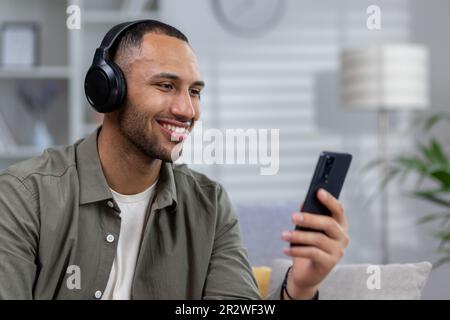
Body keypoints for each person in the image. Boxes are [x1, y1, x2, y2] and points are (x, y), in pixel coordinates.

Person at [0, 20, 349, 300]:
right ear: (108, 91)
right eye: (166, 86)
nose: (187, 110)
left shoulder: (209, 205)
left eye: (194, 92)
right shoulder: (22, 197)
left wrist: (299, 288)